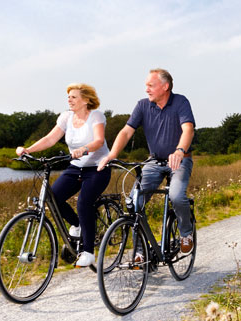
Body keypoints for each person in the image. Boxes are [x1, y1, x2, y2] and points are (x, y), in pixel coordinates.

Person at [98, 68, 195, 254]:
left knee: (176, 196)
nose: (147, 89)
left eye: (151, 85)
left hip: (180, 160)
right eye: (146, 86)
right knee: (135, 202)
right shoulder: (142, 105)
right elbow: (126, 131)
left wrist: (179, 151)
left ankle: (186, 232)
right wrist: (112, 154)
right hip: (154, 162)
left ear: (165, 87)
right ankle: (141, 252)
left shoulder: (180, 102)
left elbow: (188, 129)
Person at [16, 83, 111, 267]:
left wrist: (85, 148)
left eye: (74, 97)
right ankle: (77, 224)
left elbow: (99, 140)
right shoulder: (66, 117)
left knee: (84, 202)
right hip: (75, 167)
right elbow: (50, 139)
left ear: (86, 100)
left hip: (97, 167)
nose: (69, 99)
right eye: (68, 97)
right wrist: (29, 150)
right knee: (52, 198)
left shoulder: (96, 116)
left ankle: (89, 252)